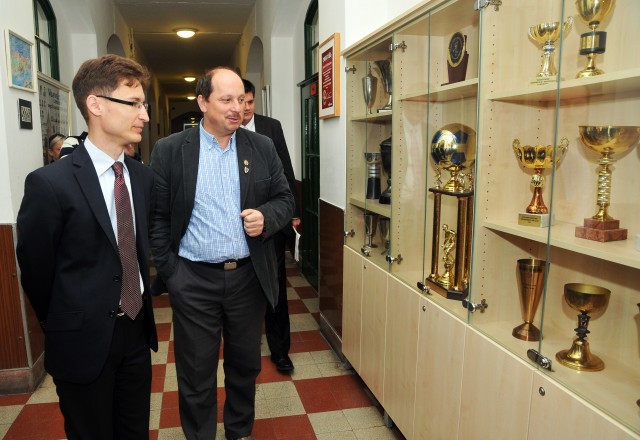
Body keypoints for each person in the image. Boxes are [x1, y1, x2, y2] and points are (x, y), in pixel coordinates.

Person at [16, 54, 158, 440]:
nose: (144, 115)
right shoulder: (50, 184)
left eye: (144, 104)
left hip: (135, 331)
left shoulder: (141, 178)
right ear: (95, 104)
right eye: (134, 103)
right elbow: (36, 271)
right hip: (82, 338)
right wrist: (66, 320)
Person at [150, 67, 294, 440]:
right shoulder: (170, 150)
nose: (236, 108)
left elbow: (285, 198)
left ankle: (239, 431)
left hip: (248, 278)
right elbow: (158, 218)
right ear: (202, 102)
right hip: (193, 280)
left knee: (244, 366)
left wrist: (266, 217)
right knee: (196, 372)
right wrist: (172, 273)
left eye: (241, 100)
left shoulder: (260, 147)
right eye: (226, 100)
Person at [241, 78, 300, 373]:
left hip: (272, 223)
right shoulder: (224, 129)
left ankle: (280, 352)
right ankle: (245, 350)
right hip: (239, 225)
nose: (246, 108)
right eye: (241, 102)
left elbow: (286, 169)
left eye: (250, 102)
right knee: (244, 290)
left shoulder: (270, 127)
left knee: (275, 289)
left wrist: (293, 212)